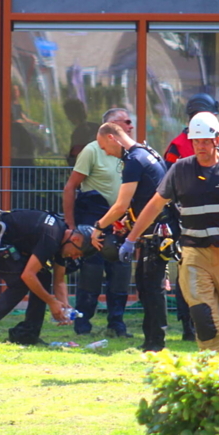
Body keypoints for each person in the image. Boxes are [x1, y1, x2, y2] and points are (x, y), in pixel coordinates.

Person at [123, 112, 219, 353]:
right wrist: (131, 239)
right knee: (202, 318)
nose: (200, 147)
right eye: (196, 141)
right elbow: (155, 205)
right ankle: (214, 372)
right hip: (194, 254)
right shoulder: (180, 170)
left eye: (205, 141)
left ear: (217, 140)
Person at [90, 121, 169, 352]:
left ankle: (156, 344)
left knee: (151, 288)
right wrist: (128, 222)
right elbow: (146, 196)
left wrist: (98, 227)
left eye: (104, 147)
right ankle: (151, 341)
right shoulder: (147, 153)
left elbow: (120, 204)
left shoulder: (133, 161)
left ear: (112, 138)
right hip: (157, 229)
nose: (105, 152)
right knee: (147, 286)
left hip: (154, 232)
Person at [0, 211, 98, 345]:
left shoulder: (62, 238)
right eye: (77, 253)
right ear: (76, 239)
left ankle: (28, 335)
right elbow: (28, 275)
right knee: (20, 284)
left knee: (44, 276)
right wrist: (51, 302)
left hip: (11, 241)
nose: (74, 257)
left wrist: (64, 306)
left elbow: (59, 280)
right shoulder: (51, 237)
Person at [62, 108, 134, 337]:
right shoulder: (92, 151)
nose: (131, 126)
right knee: (91, 272)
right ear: (113, 126)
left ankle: (117, 323)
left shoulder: (131, 153)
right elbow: (71, 187)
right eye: (127, 122)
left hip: (122, 221)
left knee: (121, 271)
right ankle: (83, 322)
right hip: (93, 215)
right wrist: (71, 226)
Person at [162, 92, 219, 341]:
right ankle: (189, 324)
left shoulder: (184, 144)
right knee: (188, 270)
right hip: (187, 217)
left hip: (208, 215)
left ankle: (205, 323)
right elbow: (168, 184)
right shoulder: (177, 147)